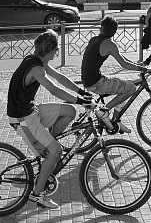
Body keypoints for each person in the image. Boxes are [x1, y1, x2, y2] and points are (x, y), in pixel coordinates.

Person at [8, 30, 93, 210]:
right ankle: (37, 194)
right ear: (51, 50)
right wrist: (81, 101)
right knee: (56, 152)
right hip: (23, 119)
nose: (57, 52)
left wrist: (82, 92)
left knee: (69, 111)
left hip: (32, 110)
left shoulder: (38, 60)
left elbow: (60, 78)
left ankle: (47, 149)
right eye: (57, 49)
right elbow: (54, 89)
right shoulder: (37, 68)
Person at [81, 15, 147, 134]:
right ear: (114, 31)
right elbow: (124, 64)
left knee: (125, 85)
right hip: (97, 82)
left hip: (88, 80)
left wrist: (138, 65)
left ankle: (116, 120)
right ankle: (104, 110)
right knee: (131, 88)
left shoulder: (94, 39)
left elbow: (123, 59)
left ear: (102, 28)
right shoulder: (109, 44)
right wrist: (144, 69)